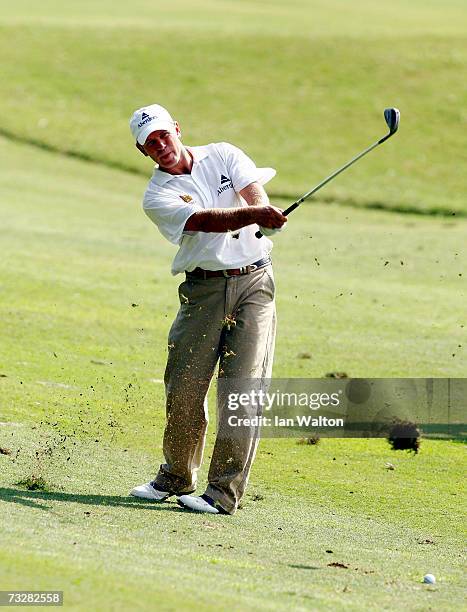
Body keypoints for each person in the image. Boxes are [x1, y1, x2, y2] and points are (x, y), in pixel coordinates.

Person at [129, 104, 287, 515]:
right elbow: (204, 220)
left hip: (254, 282)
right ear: (142, 150)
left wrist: (263, 213)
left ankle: (222, 493)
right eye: (150, 142)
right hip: (203, 290)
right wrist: (255, 214)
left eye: (164, 134)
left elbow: (253, 190)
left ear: (176, 129)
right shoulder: (157, 195)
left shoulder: (223, 153)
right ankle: (176, 477)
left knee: (241, 388)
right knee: (183, 385)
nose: (160, 145)